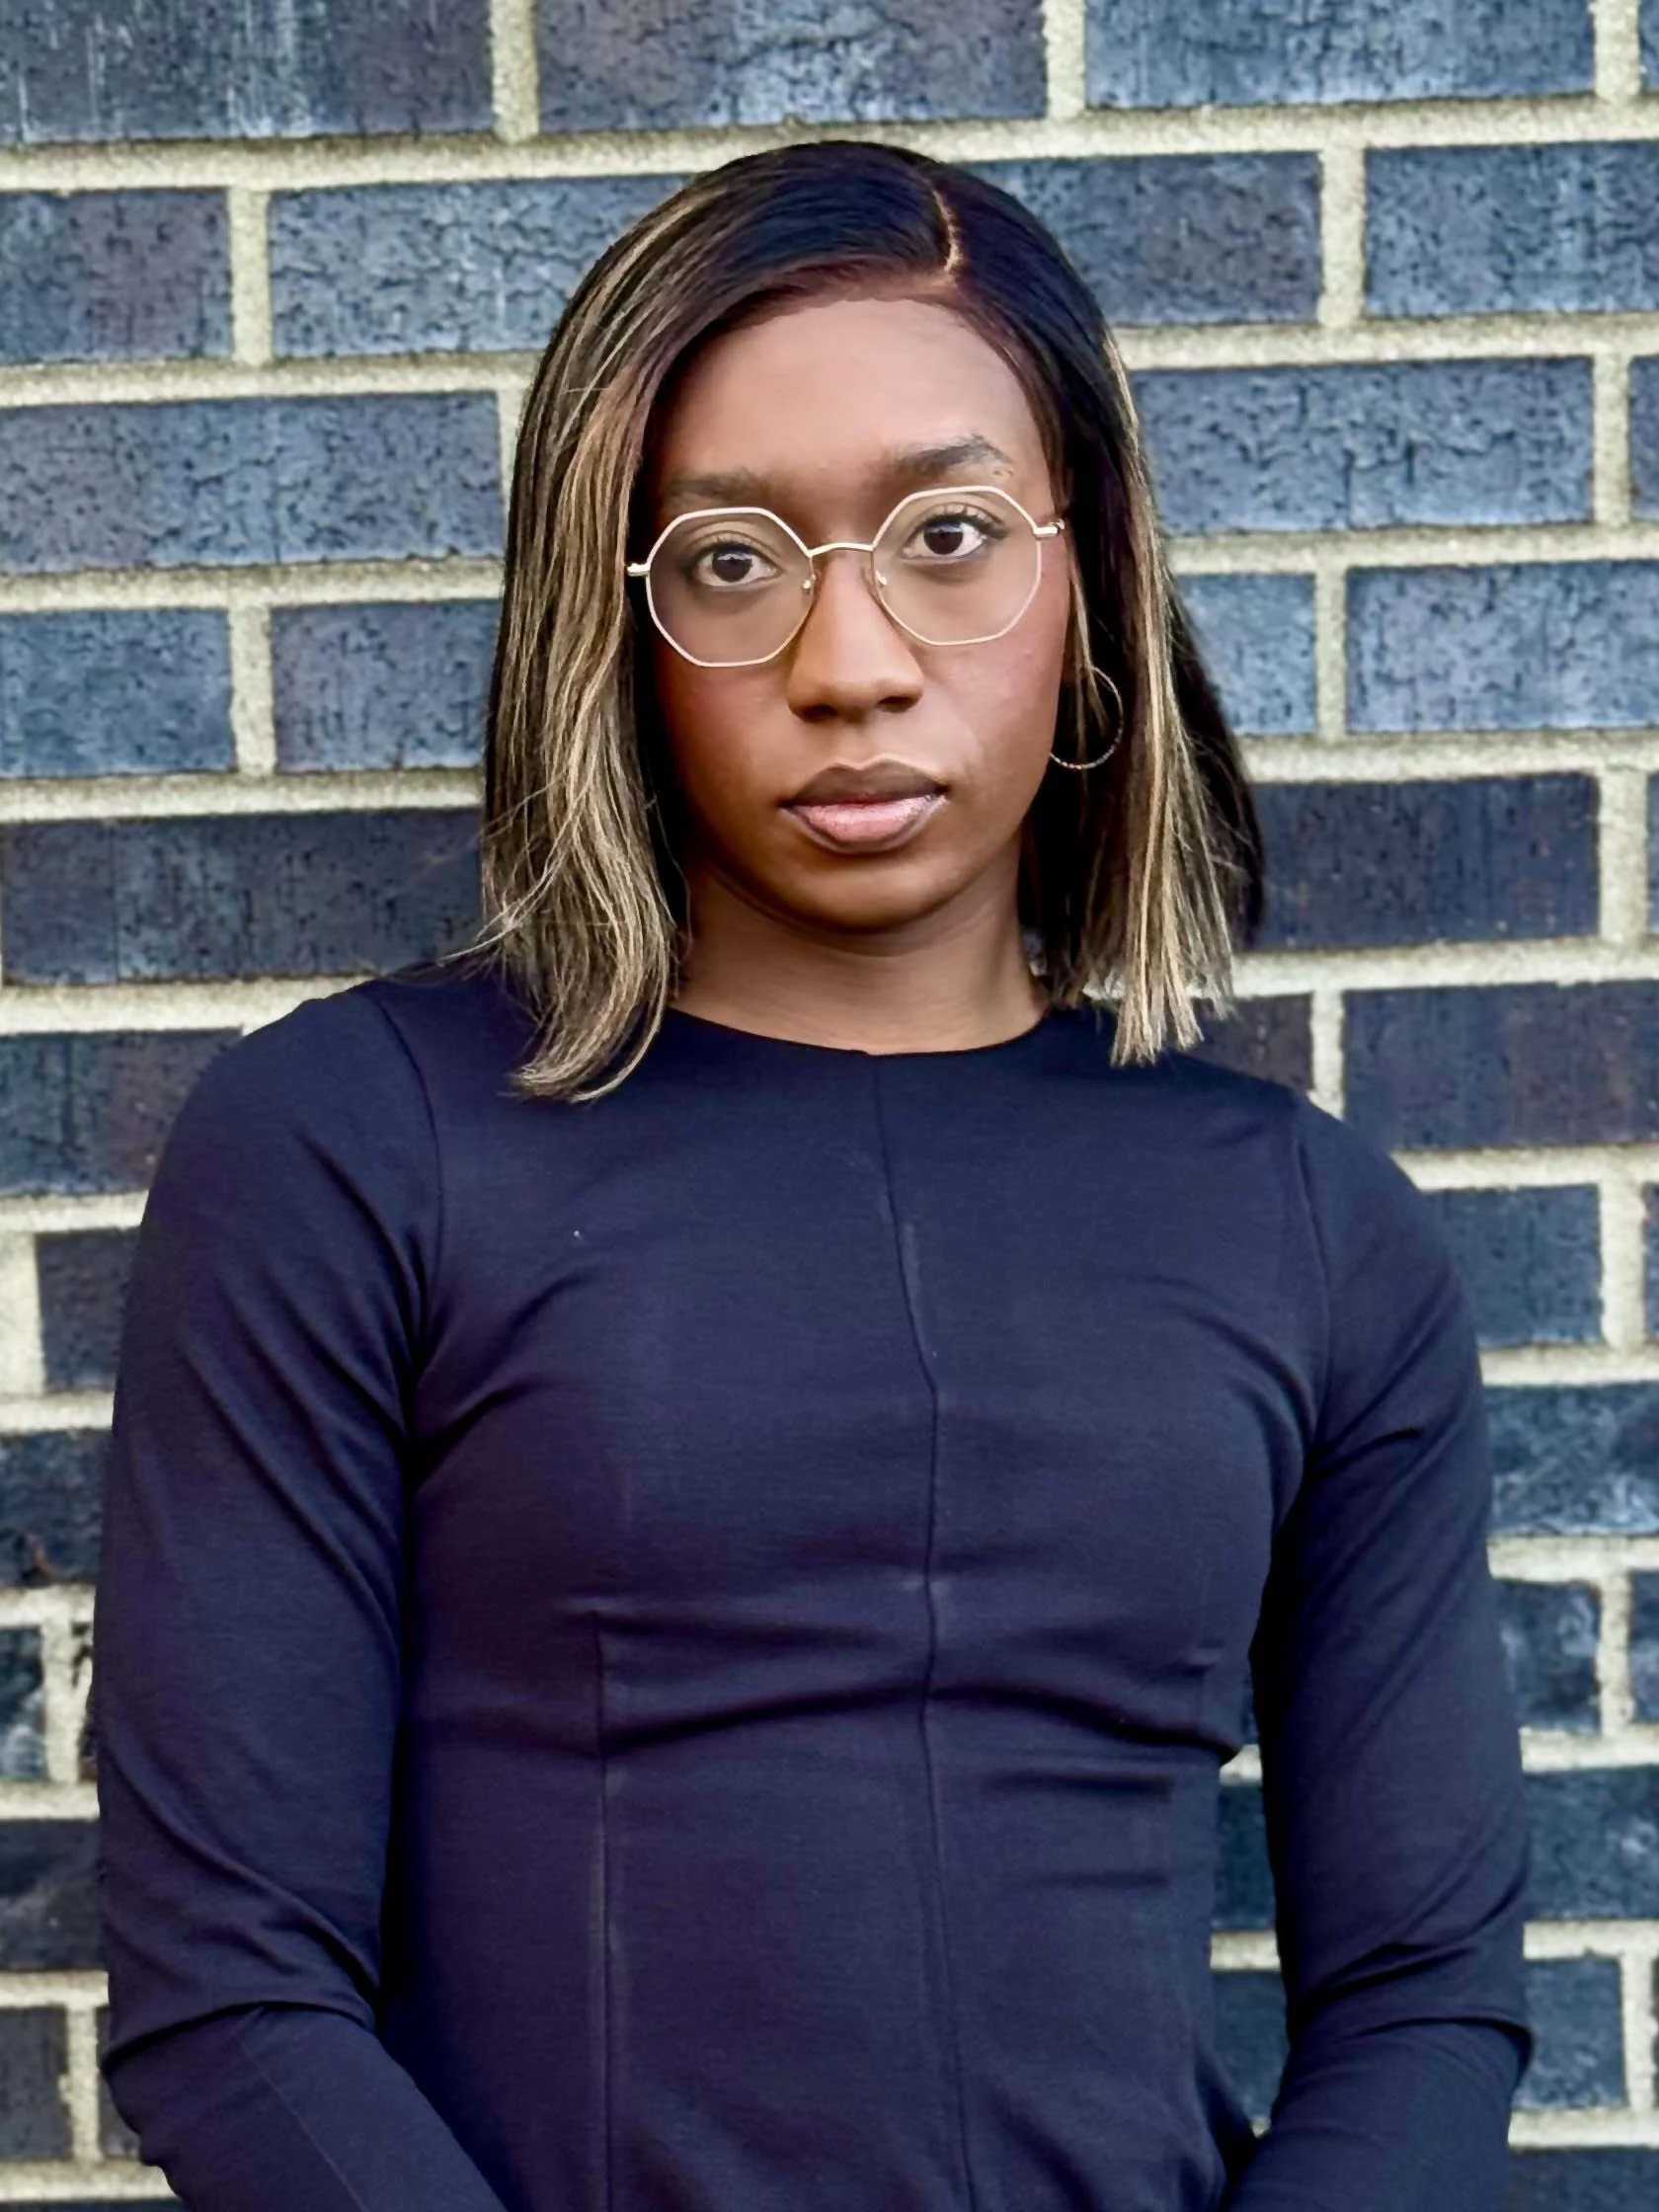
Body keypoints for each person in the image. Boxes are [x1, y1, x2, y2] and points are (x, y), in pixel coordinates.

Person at [93, 138, 1533, 2210]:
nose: (849, 660)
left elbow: (1422, 2001)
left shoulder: (1309, 1228)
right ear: (619, 623)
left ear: (1090, 573)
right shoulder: (354, 1147)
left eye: (949, 536)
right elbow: (232, 1995)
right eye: (731, 559)